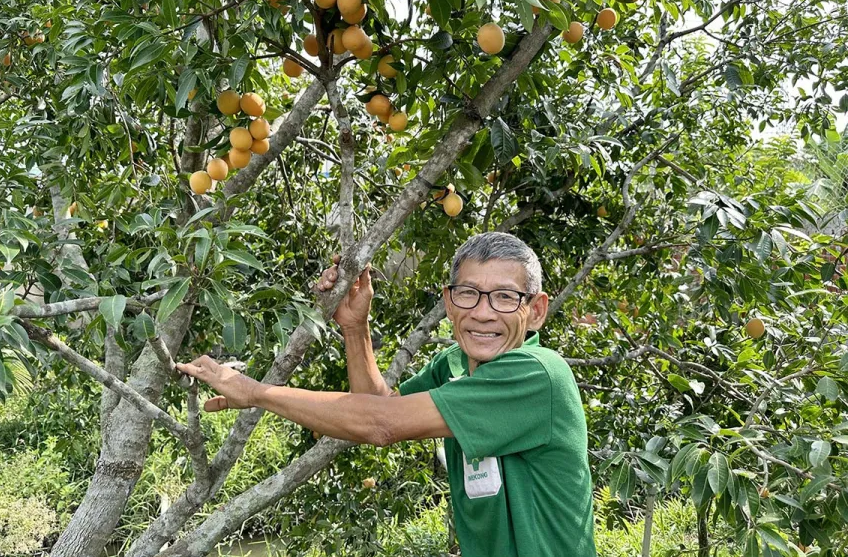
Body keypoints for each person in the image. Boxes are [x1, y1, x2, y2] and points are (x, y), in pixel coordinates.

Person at [177, 232, 596, 557]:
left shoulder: (536, 374)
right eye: (468, 294)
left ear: (536, 309)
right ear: (449, 303)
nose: (482, 312)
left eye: (505, 297)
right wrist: (355, 328)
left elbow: (381, 425)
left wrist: (255, 392)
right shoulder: (454, 365)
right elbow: (385, 406)